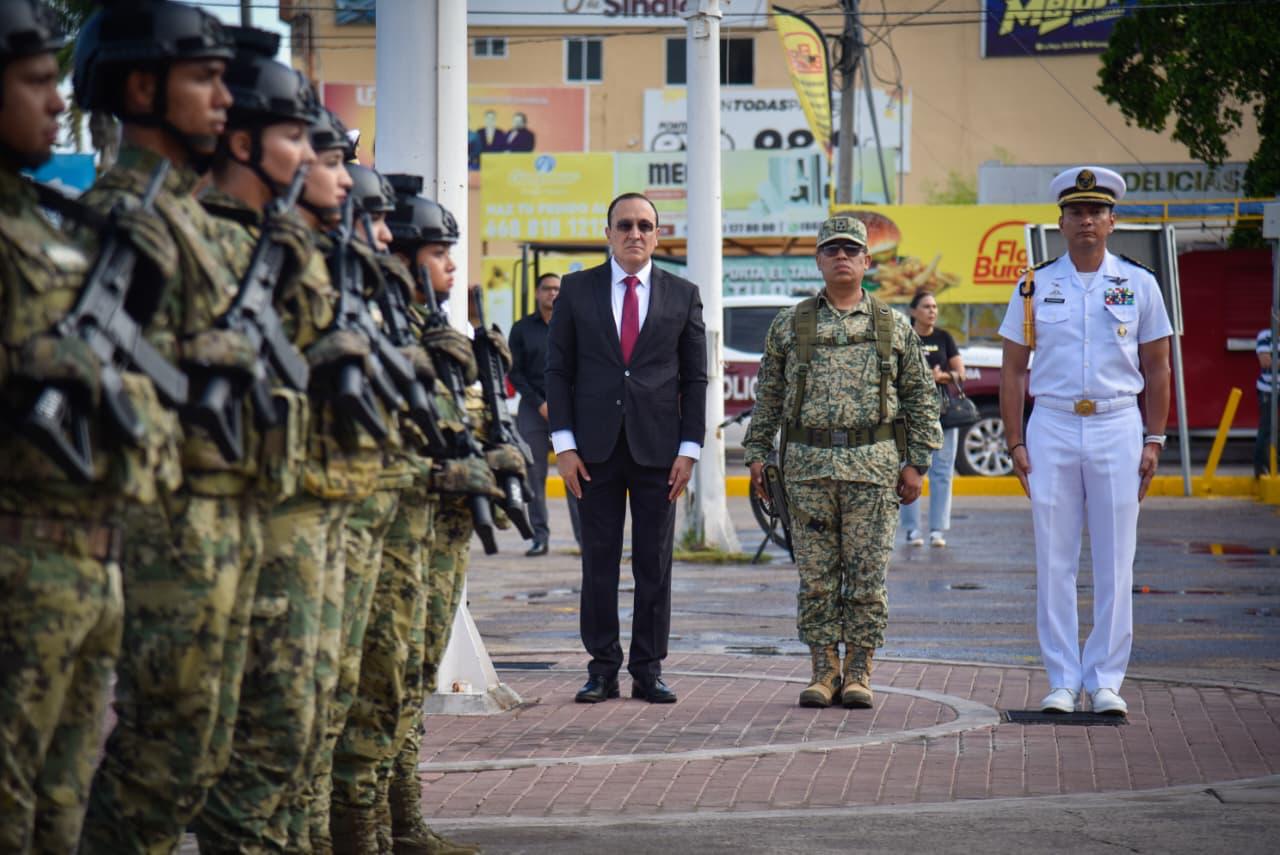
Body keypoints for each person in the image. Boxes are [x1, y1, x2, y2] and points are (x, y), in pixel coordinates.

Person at [71, 4, 268, 851]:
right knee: (162, 754)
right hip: (165, 524)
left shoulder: (186, 218)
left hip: (221, 517)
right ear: (143, 89)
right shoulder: (122, 217)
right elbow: (100, 382)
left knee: (202, 745)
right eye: (204, 79)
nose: (224, 98)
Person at [0, 4, 135, 849]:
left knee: (60, 805)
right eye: (35, 82)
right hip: (21, 564)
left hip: (82, 561)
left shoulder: (39, 223)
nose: (58, 103)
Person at [743, 216, 940, 710]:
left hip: (873, 473)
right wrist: (757, 454)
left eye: (851, 250)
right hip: (807, 472)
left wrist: (917, 463)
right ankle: (823, 670)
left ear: (867, 260)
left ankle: (858, 671)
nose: (842, 257)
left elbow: (921, 397)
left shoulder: (892, 324)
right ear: (818, 260)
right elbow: (768, 396)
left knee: (867, 580)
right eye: (831, 250)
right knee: (816, 581)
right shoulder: (791, 324)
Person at [999, 166, 1172, 717]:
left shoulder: (1139, 284)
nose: (1086, 221)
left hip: (1117, 423)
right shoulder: (1034, 285)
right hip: (1051, 423)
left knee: (1117, 559)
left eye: (1096, 212)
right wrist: (1014, 441)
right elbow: (1012, 370)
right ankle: (1061, 680)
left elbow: (1159, 366)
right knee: (1054, 558)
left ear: (1112, 221)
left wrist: (1154, 437)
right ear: (1061, 222)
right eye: (1076, 212)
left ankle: (1104, 681)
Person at [547, 192, 708, 705]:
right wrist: (564, 446)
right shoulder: (576, 290)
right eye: (624, 225)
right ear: (608, 233)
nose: (634, 233)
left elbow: (696, 379)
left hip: (660, 452)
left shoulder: (683, 294)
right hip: (591, 452)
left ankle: (647, 669)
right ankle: (601, 669)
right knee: (598, 563)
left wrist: (690, 449)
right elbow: (558, 371)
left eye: (644, 225)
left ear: (658, 235)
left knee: (653, 564)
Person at [509, 272, 583, 555]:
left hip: (571, 407)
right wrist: (540, 403)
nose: (552, 293)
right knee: (534, 473)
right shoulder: (521, 329)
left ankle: (584, 539)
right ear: (537, 293)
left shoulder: (575, 325)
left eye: (557, 289)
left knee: (575, 471)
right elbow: (515, 372)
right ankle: (539, 537)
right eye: (547, 288)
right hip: (533, 407)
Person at [899, 291, 964, 548]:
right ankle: (911, 529)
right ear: (913, 311)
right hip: (909, 415)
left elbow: (960, 373)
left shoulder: (944, 337)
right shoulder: (904, 337)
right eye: (926, 306)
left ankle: (937, 530)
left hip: (942, 413)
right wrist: (923, 376)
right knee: (908, 470)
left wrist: (941, 377)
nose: (932, 311)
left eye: (935, 307)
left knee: (942, 472)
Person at [1255, 327, 1274, 478]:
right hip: (1267, 389)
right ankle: (1261, 469)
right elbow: (1266, 362)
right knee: (1266, 429)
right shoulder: (1266, 336)